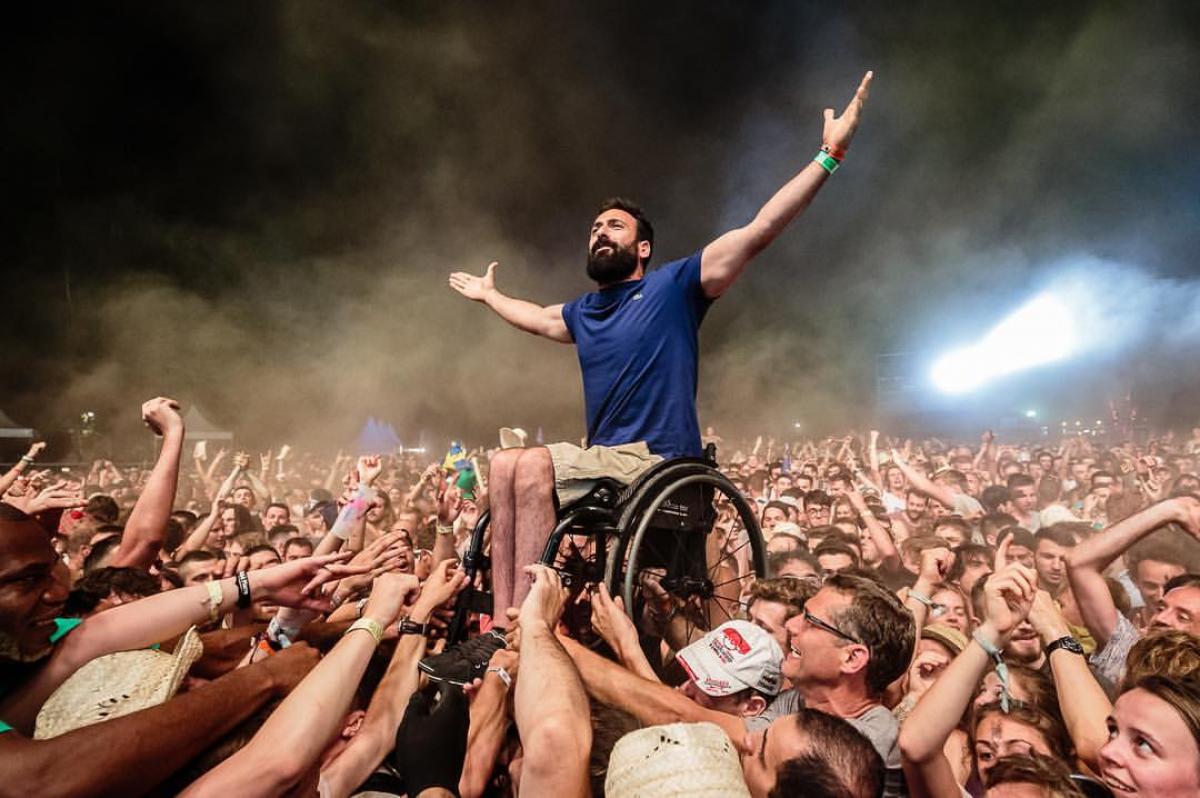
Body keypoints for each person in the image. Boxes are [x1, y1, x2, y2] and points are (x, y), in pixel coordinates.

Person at [427, 72, 874, 683]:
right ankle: (505, 622)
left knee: (528, 464)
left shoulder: (675, 286)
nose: (599, 231)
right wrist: (490, 296)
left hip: (658, 463)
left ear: (643, 249)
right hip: (609, 463)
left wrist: (830, 154)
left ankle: (521, 627)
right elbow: (534, 318)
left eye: (613, 225)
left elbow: (761, 227)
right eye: (594, 227)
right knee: (503, 466)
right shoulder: (585, 312)